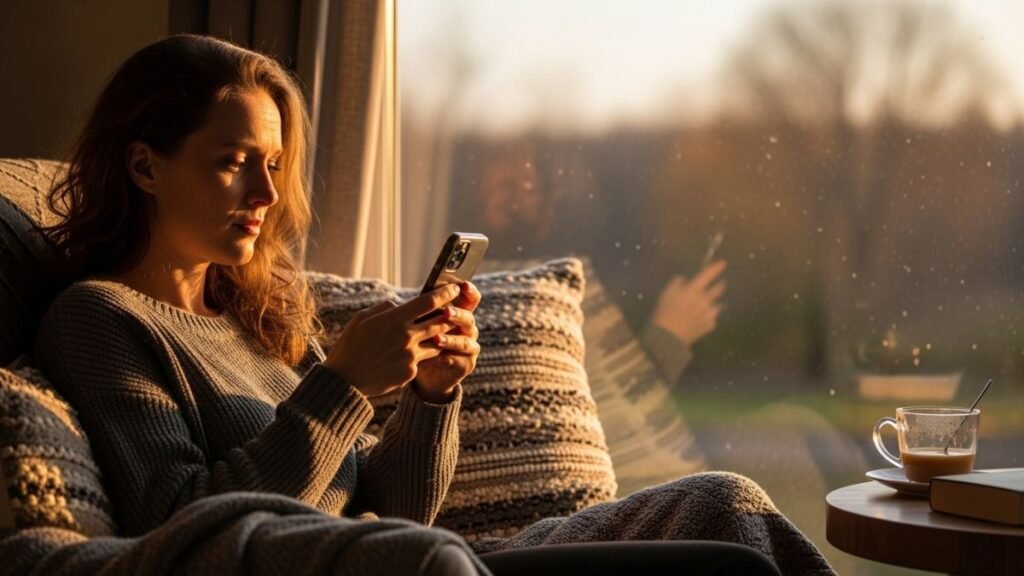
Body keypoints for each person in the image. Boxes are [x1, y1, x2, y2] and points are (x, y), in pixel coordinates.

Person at [33, 34, 832, 576]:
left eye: (273, 163)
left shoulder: (256, 316)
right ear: (144, 166)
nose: (267, 192)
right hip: (406, 570)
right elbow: (182, 528)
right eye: (233, 162)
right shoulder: (100, 319)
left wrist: (431, 398)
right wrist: (341, 391)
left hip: (422, 554)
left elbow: (398, 506)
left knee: (722, 503)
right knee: (725, 567)